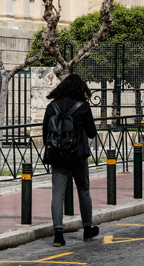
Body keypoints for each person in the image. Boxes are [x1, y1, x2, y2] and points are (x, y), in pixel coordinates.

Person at [42, 74, 100, 247]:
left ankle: (58, 234)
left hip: (57, 156)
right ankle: (88, 229)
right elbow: (91, 132)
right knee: (84, 191)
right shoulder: (83, 107)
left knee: (57, 194)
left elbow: (45, 133)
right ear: (80, 88)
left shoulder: (52, 107)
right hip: (78, 155)